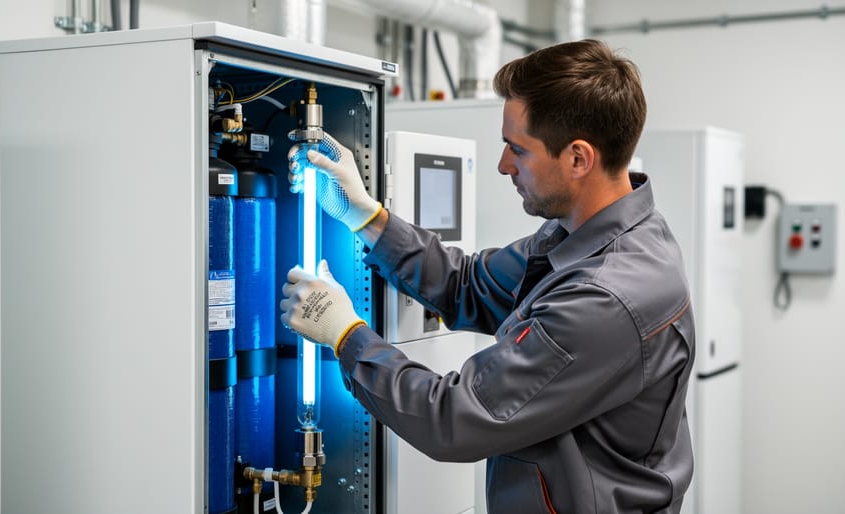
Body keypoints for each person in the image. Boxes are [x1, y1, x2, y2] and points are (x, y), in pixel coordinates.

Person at [281, 38, 694, 514]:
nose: (502, 166)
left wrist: (345, 335)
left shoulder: (606, 296)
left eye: (517, 150)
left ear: (579, 158)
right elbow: (468, 284)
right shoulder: (586, 237)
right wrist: (368, 218)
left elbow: (454, 416)